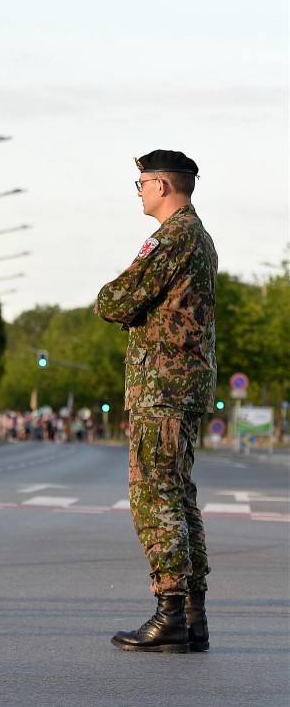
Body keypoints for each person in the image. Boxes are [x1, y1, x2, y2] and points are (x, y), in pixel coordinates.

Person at [94, 150, 216, 653]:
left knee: (154, 496)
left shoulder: (172, 237)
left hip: (162, 387)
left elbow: (114, 300)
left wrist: (117, 304)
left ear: (163, 186)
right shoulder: (199, 236)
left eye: (141, 182)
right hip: (184, 384)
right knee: (180, 495)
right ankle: (192, 615)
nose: (139, 191)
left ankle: (169, 614)